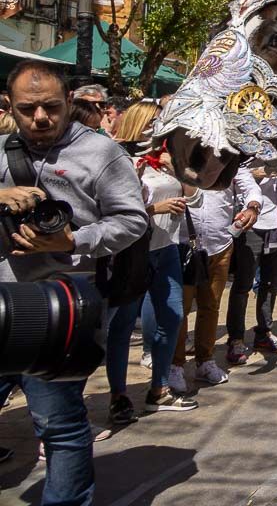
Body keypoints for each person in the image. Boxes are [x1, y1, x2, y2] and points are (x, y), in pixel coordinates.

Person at [0, 59, 149, 506]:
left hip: (60, 310)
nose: (40, 118)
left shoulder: (102, 153)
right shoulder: (2, 150)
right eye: (28, 109)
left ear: (69, 102)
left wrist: (72, 240)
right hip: (4, 301)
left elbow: (132, 220)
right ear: (11, 106)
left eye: (50, 107)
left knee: (59, 423)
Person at [116, 144, 199, 414]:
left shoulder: (170, 160)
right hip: (134, 253)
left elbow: (196, 199)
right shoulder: (125, 159)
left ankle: (159, 390)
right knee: (122, 326)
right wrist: (154, 208)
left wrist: (176, 168)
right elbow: (116, 210)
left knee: (173, 317)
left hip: (168, 248)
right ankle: (118, 399)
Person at [170, 167, 261, 393]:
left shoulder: (227, 159)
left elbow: (250, 186)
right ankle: (175, 365)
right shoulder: (179, 154)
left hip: (220, 245)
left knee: (211, 305)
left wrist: (252, 207)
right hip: (183, 244)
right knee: (179, 310)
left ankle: (205, 360)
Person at [225, 170, 277, 364]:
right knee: (243, 284)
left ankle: (264, 333)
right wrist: (258, 173)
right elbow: (237, 175)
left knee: (270, 283)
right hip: (251, 226)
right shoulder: (246, 149)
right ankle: (236, 338)